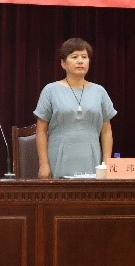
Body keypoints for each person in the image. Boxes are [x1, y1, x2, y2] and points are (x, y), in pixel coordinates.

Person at [34, 38, 116, 178]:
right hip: (59, 157)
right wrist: (43, 164)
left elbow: (106, 131)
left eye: (84, 57)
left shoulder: (99, 91)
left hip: (91, 157)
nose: (80, 61)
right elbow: (41, 130)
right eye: (74, 57)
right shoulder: (51, 90)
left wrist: (106, 163)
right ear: (63, 63)